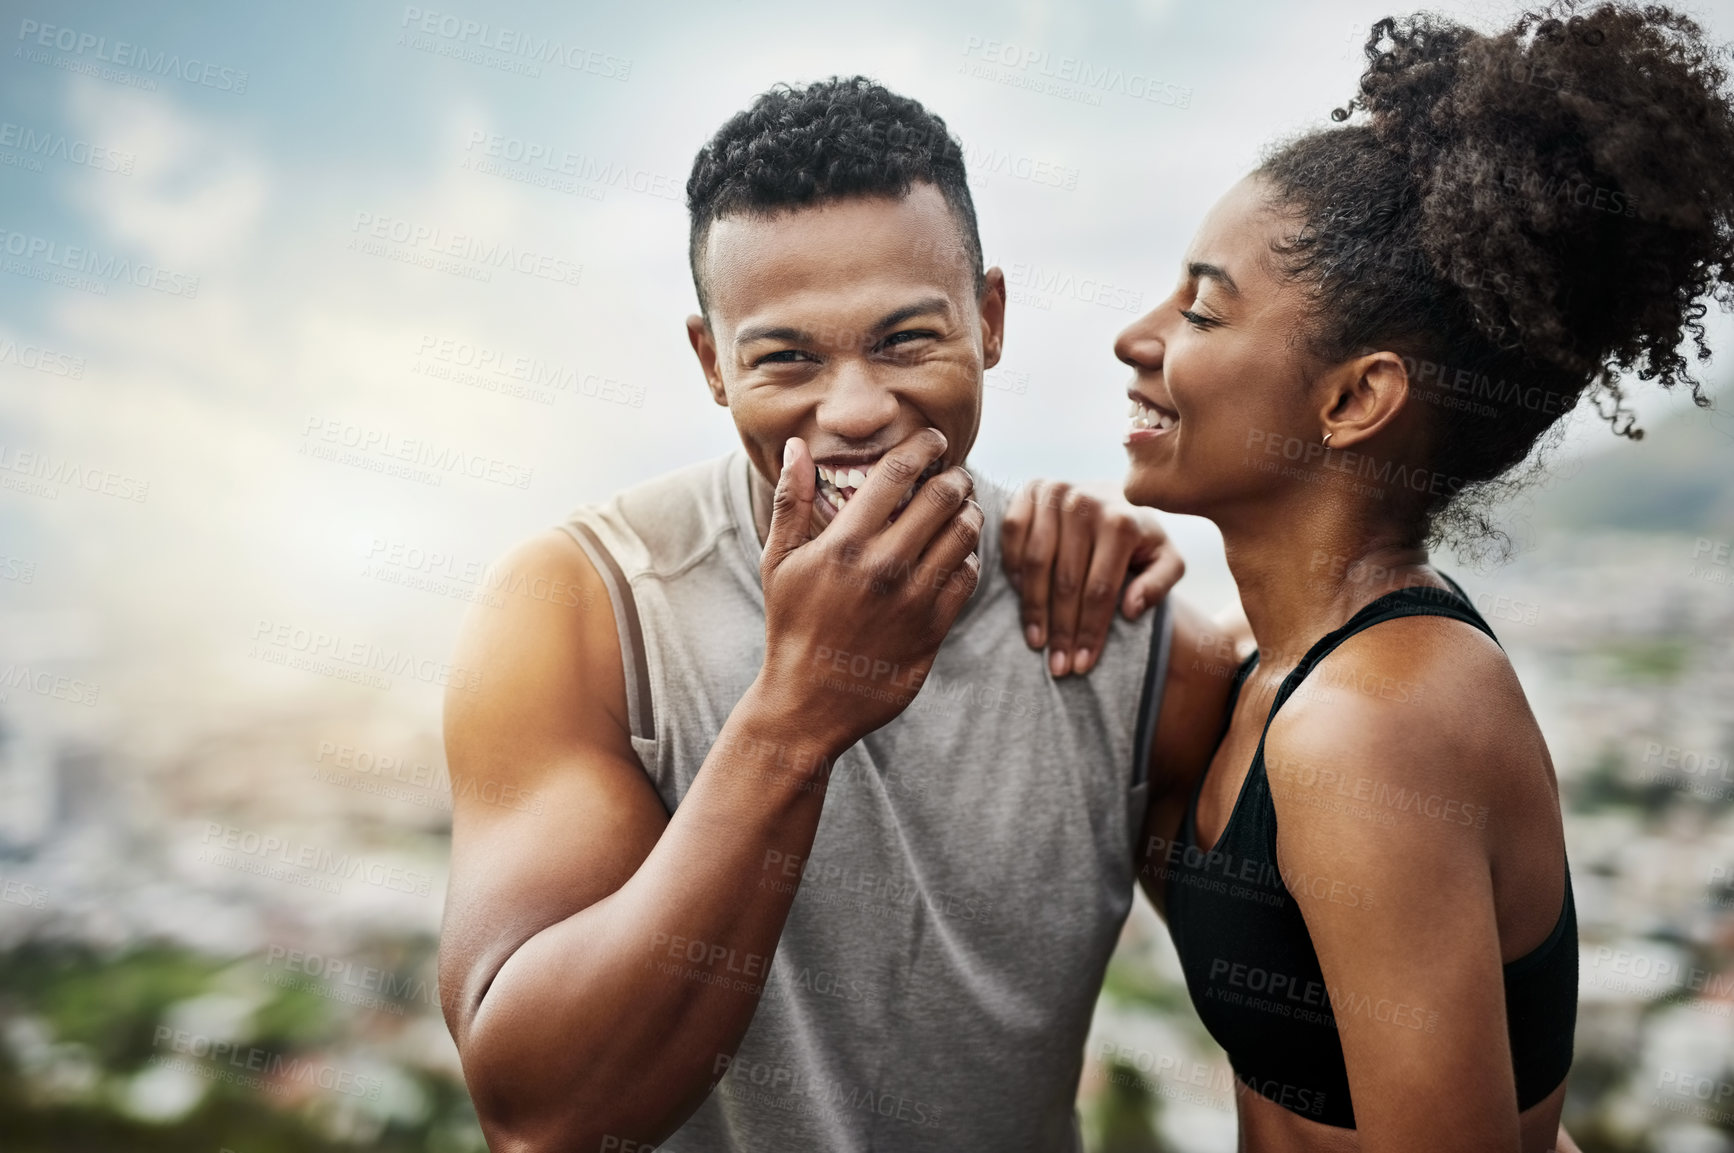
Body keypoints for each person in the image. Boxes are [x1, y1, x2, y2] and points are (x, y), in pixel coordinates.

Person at [435, 77, 1229, 1153]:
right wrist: (799, 711)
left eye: (906, 341)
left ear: (989, 320)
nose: (855, 409)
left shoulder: (1119, 633)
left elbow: (1324, 1058)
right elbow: (543, 1117)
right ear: (713, 362)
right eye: (787, 357)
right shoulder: (583, 608)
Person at [1083, 3, 1734, 1150]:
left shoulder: (1366, 728)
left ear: (1352, 401)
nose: (1138, 338)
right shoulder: (1284, 677)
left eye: (1199, 307)